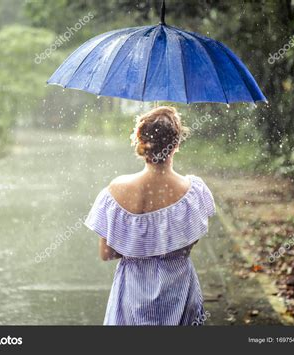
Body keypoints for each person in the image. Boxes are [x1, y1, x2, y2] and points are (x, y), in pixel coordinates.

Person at [84, 106, 216, 325]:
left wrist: (138, 246)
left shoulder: (117, 191)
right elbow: (189, 242)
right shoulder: (192, 193)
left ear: (140, 140)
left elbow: (107, 253)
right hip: (179, 291)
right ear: (176, 145)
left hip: (132, 294)